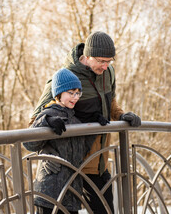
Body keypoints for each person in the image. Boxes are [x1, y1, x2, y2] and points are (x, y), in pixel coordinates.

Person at [30, 31, 142, 213]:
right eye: (101, 61)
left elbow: (110, 101)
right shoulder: (64, 78)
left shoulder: (108, 73)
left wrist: (121, 116)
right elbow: (37, 120)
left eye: (109, 61)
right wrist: (48, 152)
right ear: (87, 56)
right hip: (69, 164)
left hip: (98, 163)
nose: (105, 66)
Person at [23, 68, 108, 214]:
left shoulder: (75, 120)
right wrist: (46, 122)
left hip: (71, 193)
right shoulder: (48, 114)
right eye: (70, 93)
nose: (75, 97)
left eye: (77, 93)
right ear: (58, 93)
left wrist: (94, 124)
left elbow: (84, 149)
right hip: (49, 192)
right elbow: (29, 143)